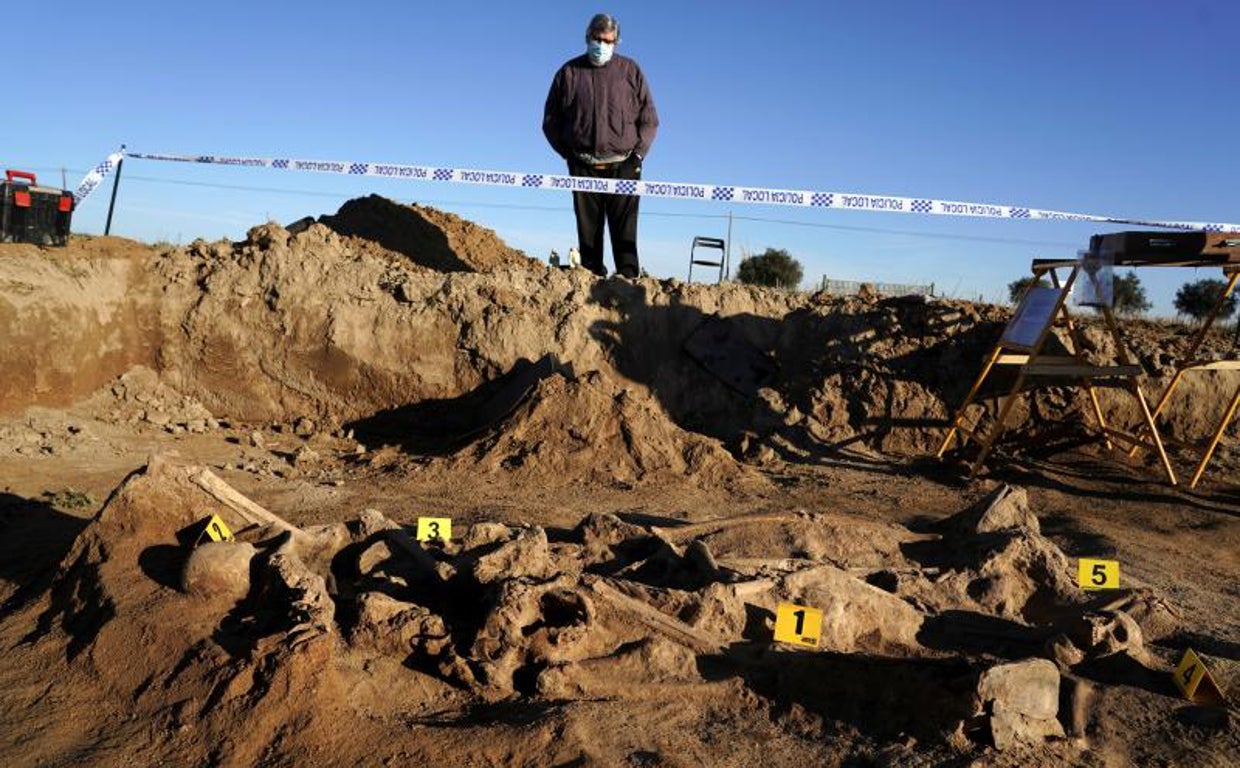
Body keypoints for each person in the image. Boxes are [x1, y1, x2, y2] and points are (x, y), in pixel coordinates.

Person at [542, 13, 659, 279]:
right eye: (598, 39)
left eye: (609, 41)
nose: (603, 45)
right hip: (583, 165)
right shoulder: (569, 73)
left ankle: (628, 282)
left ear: (617, 43)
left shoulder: (630, 71)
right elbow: (550, 120)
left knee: (625, 231)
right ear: (587, 37)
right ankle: (591, 281)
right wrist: (569, 154)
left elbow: (650, 118)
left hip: (625, 165)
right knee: (588, 232)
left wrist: (638, 155)